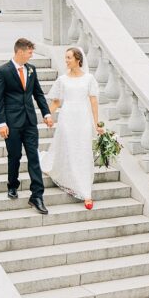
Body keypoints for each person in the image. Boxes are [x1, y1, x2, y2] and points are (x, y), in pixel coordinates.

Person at [0, 38, 54, 215]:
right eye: (29, 52)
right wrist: (1, 123)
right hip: (11, 123)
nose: (31, 55)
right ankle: (12, 185)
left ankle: (37, 195)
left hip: (30, 122)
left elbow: (38, 94)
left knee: (33, 156)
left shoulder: (31, 69)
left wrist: (46, 114)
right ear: (20, 51)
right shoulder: (2, 71)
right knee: (14, 155)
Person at [44, 47, 103, 210]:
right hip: (67, 118)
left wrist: (97, 123)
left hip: (83, 118)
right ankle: (70, 178)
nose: (66, 60)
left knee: (82, 150)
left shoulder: (89, 79)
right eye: (66, 57)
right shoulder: (62, 80)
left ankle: (86, 191)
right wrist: (48, 115)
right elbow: (56, 102)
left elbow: (93, 102)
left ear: (78, 59)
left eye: (69, 57)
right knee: (69, 148)